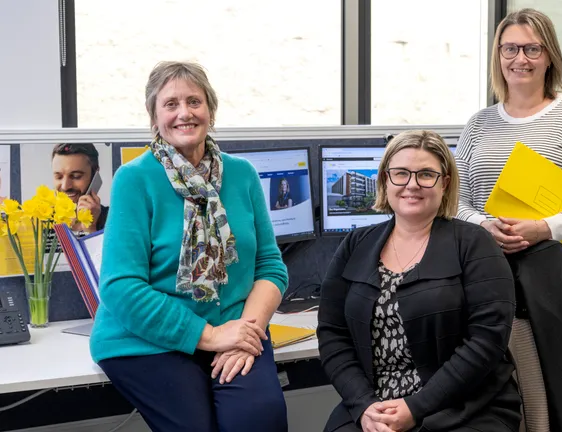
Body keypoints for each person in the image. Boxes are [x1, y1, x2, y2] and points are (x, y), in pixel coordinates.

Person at [89, 61, 290, 432]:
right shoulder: (134, 179)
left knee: (259, 420)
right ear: (154, 117)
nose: (185, 113)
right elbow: (121, 289)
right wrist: (211, 336)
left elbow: (270, 266)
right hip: (148, 339)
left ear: (210, 111)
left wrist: (244, 332)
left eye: (194, 101)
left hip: (234, 325)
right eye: (171, 104)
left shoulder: (242, 174)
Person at [317, 130, 521, 432]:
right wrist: (362, 405)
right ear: (385, 181)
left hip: (464, 406)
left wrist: (416, 407)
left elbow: (487, 341)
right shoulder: (356, 244)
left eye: (426, 174)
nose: (412, 184)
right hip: (374, 406)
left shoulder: (475, 244)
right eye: (400, 174)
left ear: (445, 184)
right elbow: (333, 333)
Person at [455, 8, 562, 320]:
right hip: (484, 273)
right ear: (498, 56)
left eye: (532, 49)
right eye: (510, 49)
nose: (521, 59)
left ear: (549, 56)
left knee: (543, 370)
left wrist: (544, 229)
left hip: (556, 274)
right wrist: (484, 226)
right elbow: (454, 202)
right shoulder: (478, 124)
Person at [51, 143, 109, 233]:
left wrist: (90, 229)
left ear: (95, 175)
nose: (65, 186)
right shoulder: (41, 222)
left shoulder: (114, 220)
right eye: (59, 177)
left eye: (76, 176)